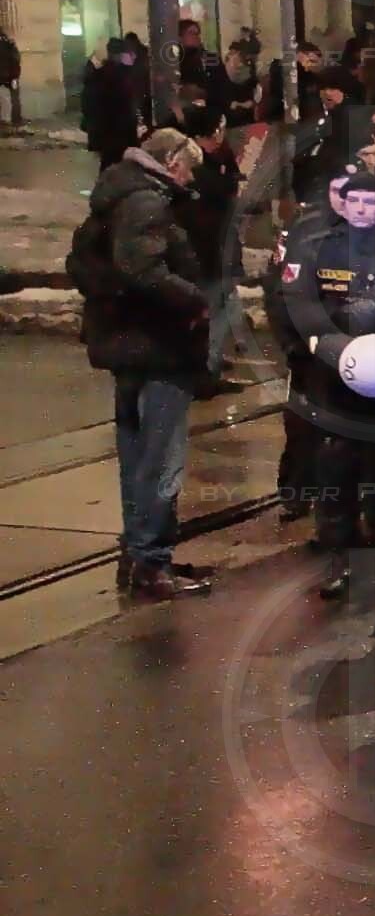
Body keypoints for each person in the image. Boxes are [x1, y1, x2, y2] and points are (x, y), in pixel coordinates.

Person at [280, 167, 375, 602]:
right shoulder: (314, 250)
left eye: (372, 201)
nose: (363, 209)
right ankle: (341, 557)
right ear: (343, 205)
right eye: (355, 201)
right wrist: (338, 349)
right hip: (335, 375)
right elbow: (299, 305)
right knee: (335, 467)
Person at [77, 126, 217, 598]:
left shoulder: (115, 195)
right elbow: (143, 270)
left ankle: (139, 553)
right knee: (160, 460)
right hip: (158, 345)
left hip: (126, 343)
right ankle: (151, 562)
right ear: (173, 161)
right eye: (190, 167)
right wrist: (196, 301)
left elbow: (86, 265)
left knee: (138, 455)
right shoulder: (147, 201)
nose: (190, 176)